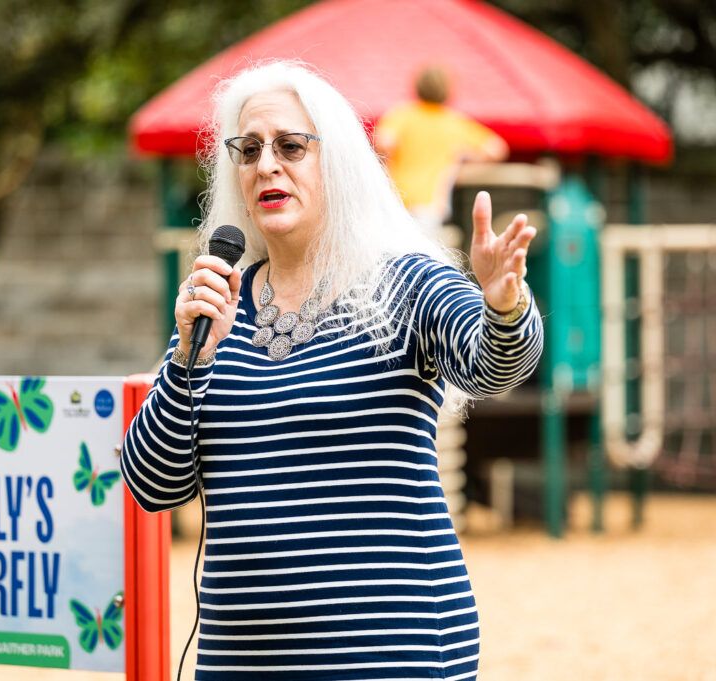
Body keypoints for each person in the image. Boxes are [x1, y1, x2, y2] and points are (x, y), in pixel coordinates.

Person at [120, 61, 542, 681]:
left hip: (391, 657)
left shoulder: (402, 281)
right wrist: (189, 358)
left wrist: (504, 304)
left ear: (337, 160)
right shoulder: (218, 305)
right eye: (249, 149)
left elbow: (496, 368)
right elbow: (152, 486)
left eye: (291, 146)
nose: (266, 164)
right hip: (239, 665)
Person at [375, 64, 509, 226]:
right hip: (430, 204)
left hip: (394, 199)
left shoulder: (401, 115)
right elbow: (496, 149)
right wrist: (460, 164)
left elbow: (384, 142)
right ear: (448, 90)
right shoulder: (453, 122)